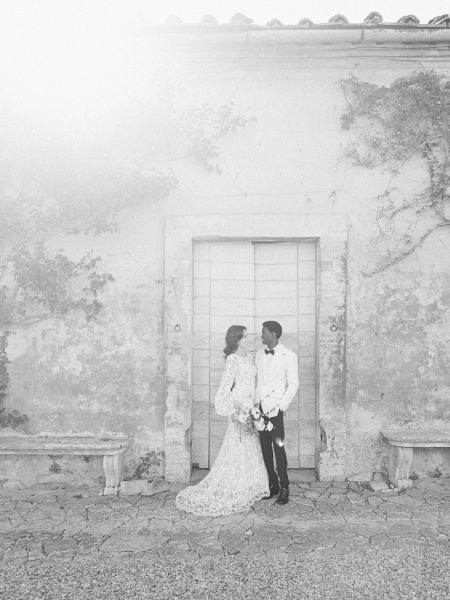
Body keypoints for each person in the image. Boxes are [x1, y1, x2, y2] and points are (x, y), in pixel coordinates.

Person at [175, 325, 269, 516]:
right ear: (235, 340)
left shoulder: (249, 358)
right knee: (237, 444)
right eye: (243, 337)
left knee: (250, 444)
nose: (247, 340)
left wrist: (254, 407)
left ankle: (249, 485)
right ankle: (235, 487)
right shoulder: (232, 360)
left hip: (250, 405)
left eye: (247, 336)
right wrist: (235, 408)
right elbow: (224, 389)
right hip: (239, 407)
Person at [255, 321, 299, 505]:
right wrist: (256, 406)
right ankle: (272, 485)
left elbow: (294, 383)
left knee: (278, 449)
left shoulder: (288, 355)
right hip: (260, 410)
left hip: (276, 412)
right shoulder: (258, 354)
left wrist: (281, 407)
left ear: (273, 334)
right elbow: (259, 381)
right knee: (264, 450)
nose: (261, 336)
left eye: (264, 333)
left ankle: (284, 487)